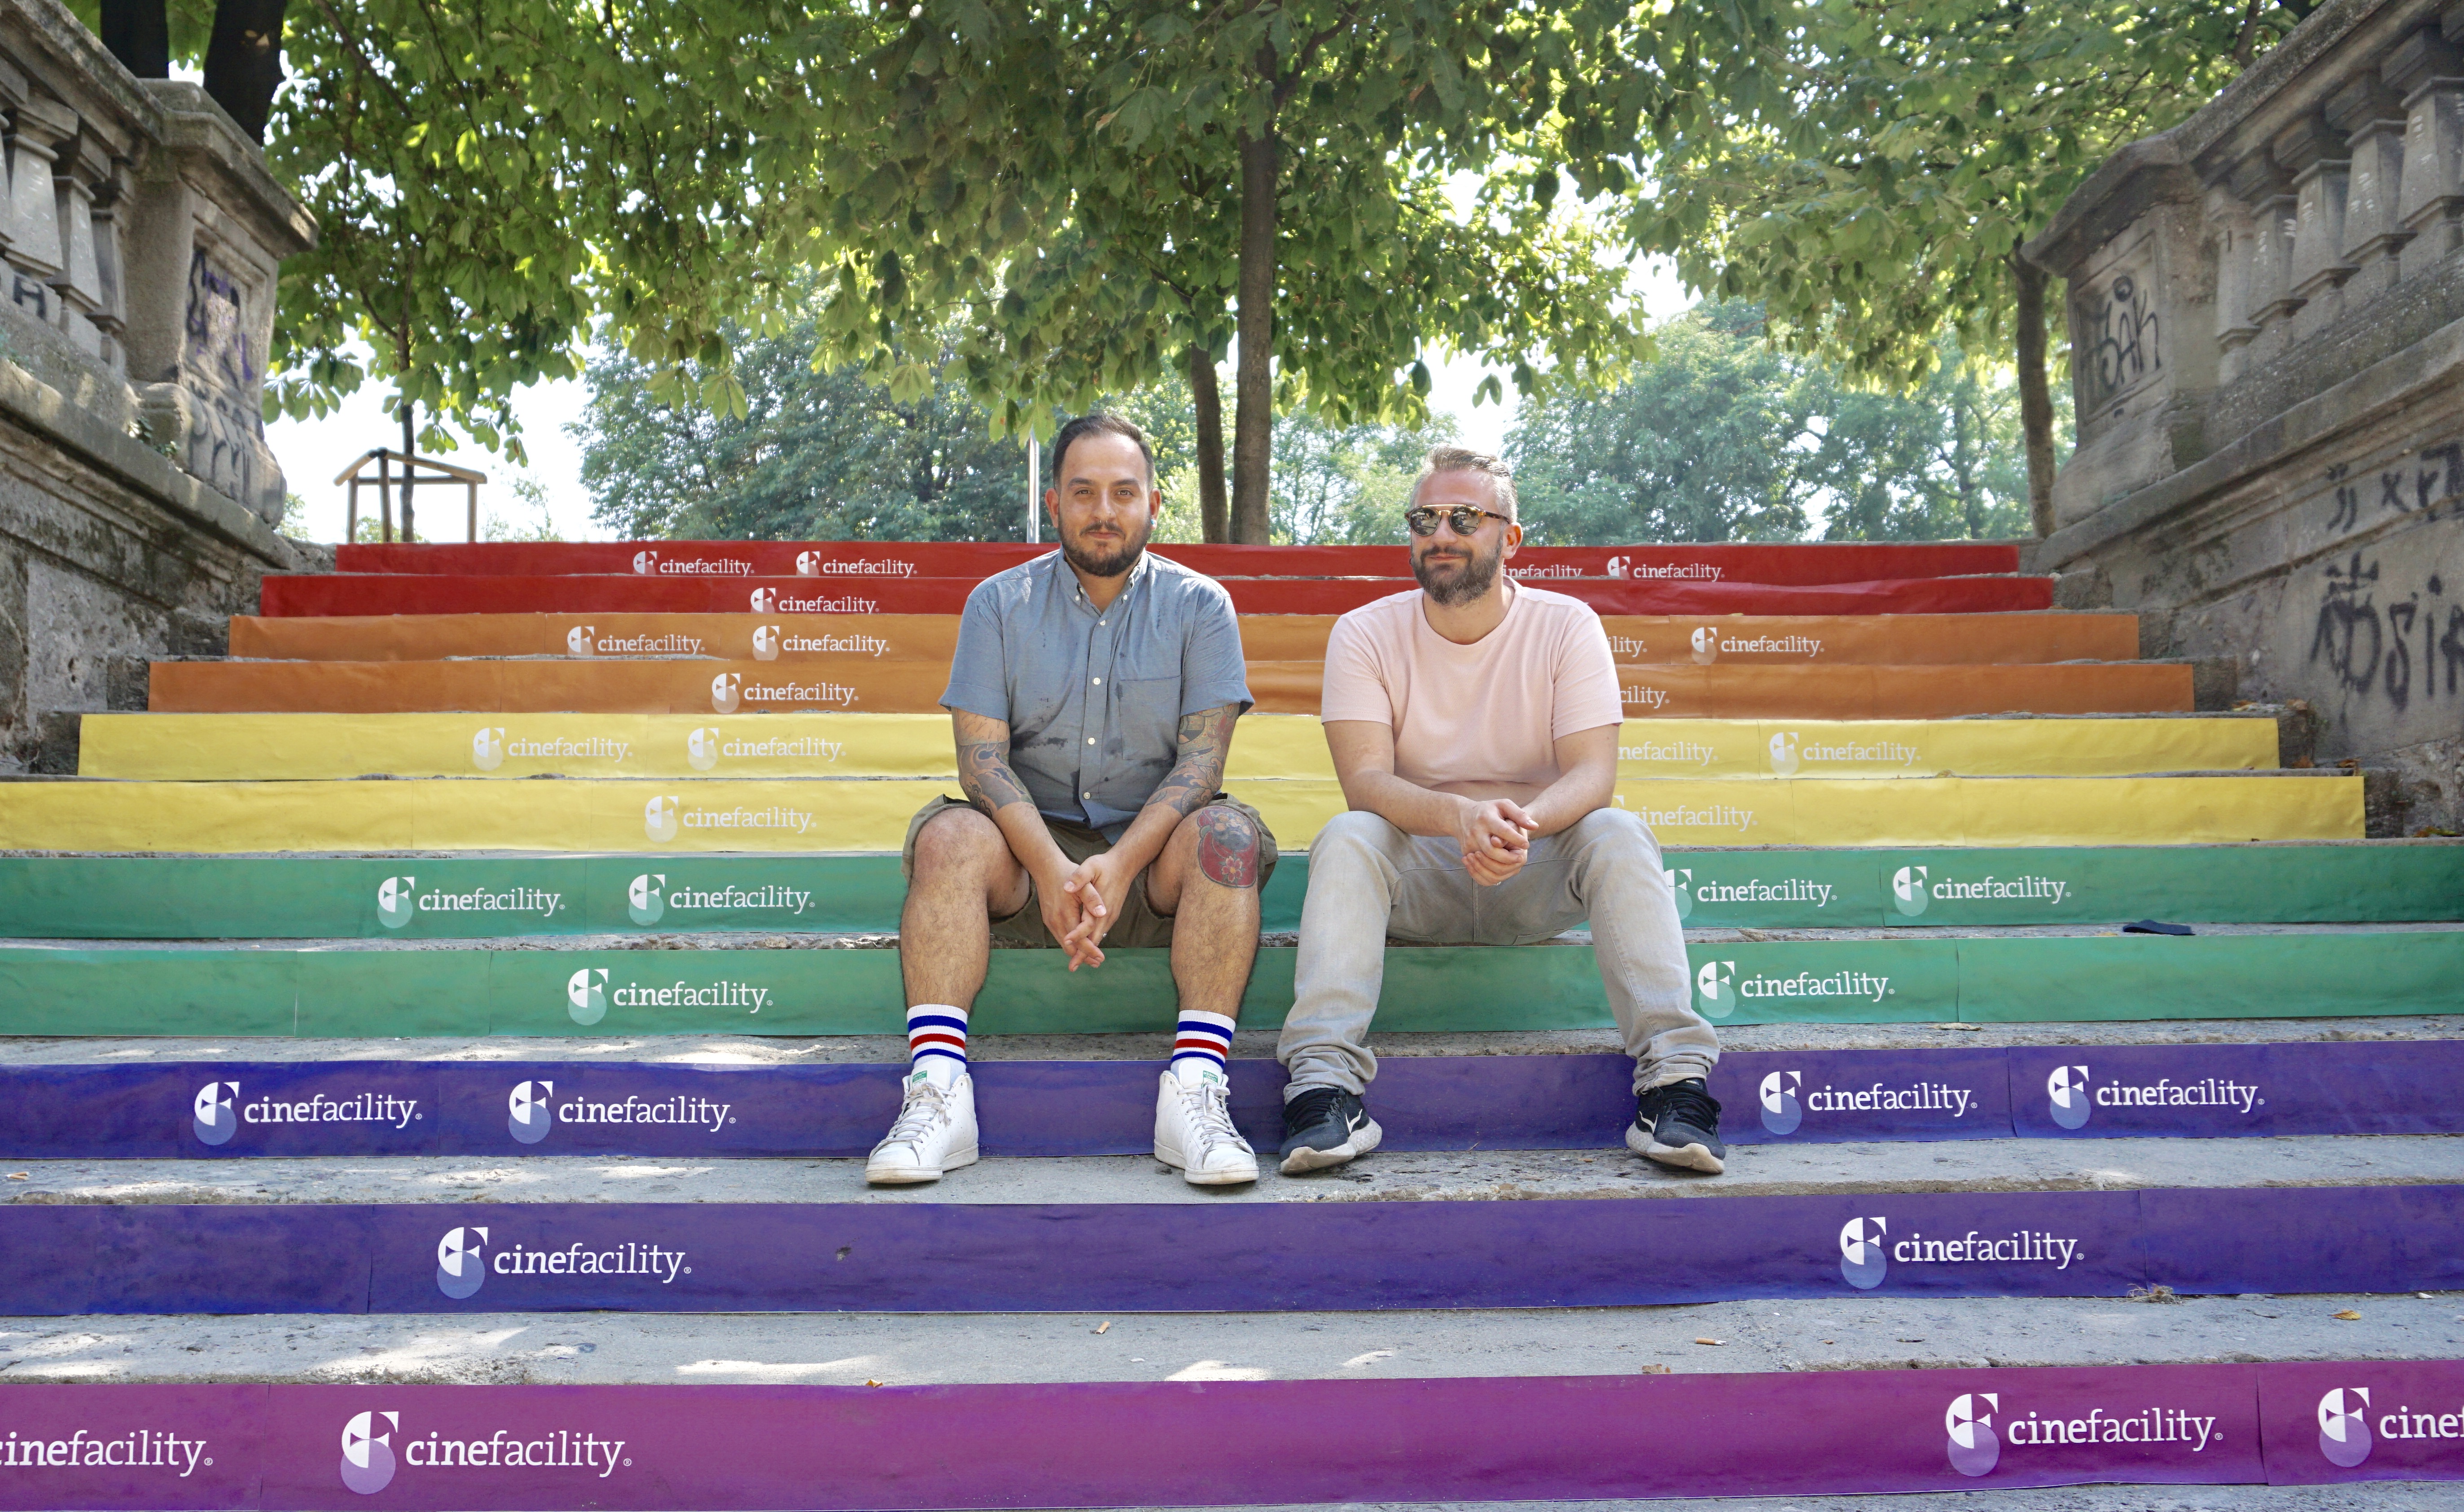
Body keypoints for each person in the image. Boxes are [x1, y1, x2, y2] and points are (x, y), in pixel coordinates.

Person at [1274, 447, 1726, 1176]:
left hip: (1534, 866)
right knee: (1350, 834)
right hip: (1422, 870)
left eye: (1464, 517)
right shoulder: (1362, 632)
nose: (1440, 533)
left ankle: (1674, 1087)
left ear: (1510, 538)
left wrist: (1515, 826)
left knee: (1617, 829)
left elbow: (1592, 775)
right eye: (1424, 518)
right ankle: (1323, 1089)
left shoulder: (1566, 624)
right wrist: (1460, 819)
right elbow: (1365, 782)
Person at [867, 413, 1275, 1187]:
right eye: (1083, 491)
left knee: (1226, 830)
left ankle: (1195, 1091)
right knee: (948, 835)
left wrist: (1117, 865)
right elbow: (981, 760)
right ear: (1053, 503)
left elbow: (1201, 761)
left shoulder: (1201, 607)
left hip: (1154, 868)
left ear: (1154, 502)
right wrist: (1055, 870)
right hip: (1025, 867)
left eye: (1124, 492)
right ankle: (937, 1094)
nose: (1103, 510)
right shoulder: (997, 603)